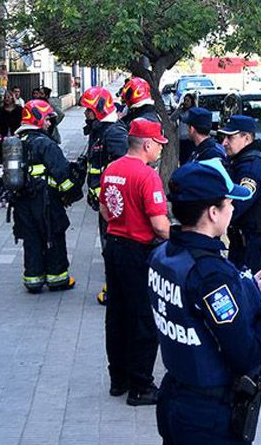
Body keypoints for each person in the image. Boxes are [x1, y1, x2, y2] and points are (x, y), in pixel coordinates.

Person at [150, 159, 261, 444]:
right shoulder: (210, 274)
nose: (233, 208)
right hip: (207, 415)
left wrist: (247, 288)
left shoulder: (163, 254)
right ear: (213, 213)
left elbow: (193, 307)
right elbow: (248, 353)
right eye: (229, 203)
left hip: (176, 396)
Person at [99, 119, 171, 406]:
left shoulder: (111, 169)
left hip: (114, 247)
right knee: (143, 318)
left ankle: (119, 380)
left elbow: (105, 210)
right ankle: (141, 386)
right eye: (159, 144)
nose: (161, 150)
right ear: (147, 144)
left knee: (117, 315)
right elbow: (160, 226)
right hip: (138, 252)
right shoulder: (147, 175)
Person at [13, 99, 79, 293]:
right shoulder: (46, 144)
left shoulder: (17, 142)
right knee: (53, 235)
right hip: (46, 201)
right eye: (47, 119)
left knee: (31, 238)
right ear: (37, 119)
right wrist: (71, 194)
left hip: (22, 201)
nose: (50, 123)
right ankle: (57, 279)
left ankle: (33, 280)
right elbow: (62, 174)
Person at [79, 86, 129, 306]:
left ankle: (116, 291)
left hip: (113, 205)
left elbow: (123, 168)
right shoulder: (99, 130)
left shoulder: (114, 133)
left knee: (113, 248)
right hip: (105, 203)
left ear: (99, 109)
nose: (85, 113)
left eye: (88, 110)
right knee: (109, 247)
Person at [219, 115, 261, 275]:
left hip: (252, 245)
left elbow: (238, 204)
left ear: (246, 138)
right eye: (224, 137)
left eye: (230, 137)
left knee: (250, 287)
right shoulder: (241, 161)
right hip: (241, 242)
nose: (224, 142)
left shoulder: (253, 167)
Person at [0, 91, 25, 209]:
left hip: (16, 143)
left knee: (15, 167)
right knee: (1, 167)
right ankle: (3, 193)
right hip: (3, 143)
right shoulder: (0, 111)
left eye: (9, 97)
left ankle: (14, 193)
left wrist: (20, 135)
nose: (7, 99)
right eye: (5, 97)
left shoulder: (19, 110)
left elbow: (23, 124)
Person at [173, 93, 196, 162]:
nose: (186, 102)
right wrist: (178, 109)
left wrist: (181, 115)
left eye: (188, 101)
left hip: (189, 139)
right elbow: (172, 118)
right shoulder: (181, 111)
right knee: (182, 159)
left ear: (191, 102)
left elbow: (185, 119)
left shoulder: (193, 111)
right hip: (181, 139)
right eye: (185, 100)